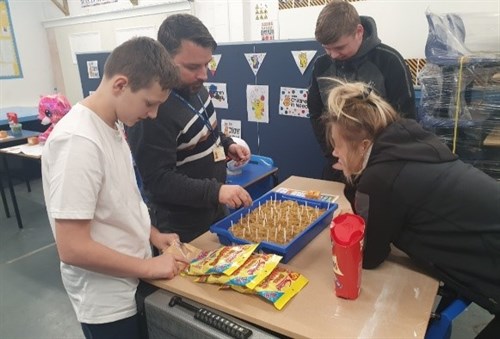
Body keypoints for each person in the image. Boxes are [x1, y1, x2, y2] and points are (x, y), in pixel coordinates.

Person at [323, 79, 500, 339]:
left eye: (338, 144)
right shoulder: (408, 137)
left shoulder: (380, 178)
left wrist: (354, 179)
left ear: (363, 145)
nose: (334, 152)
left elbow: (369, 255)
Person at [41, 37, 188, 339]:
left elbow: (121, 200)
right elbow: (72, 247)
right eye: (150, 103)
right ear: (120, 85)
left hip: (129, 279)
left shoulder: (113, 124)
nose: (153, 114)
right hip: (105, 301)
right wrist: (150, 268)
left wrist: (154, 235)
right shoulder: (78, 141)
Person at [127, 14, 253, 243]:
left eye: (207, 64)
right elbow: (158, 181)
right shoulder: (151, 110)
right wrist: (216, 192)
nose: (203, 75)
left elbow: (205, 129)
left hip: (212, 210)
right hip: (180, 227)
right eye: (193, 66)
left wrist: (226, 144)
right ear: (165, 59)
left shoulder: (195, 86)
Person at [307, 0, 416, 182]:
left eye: (340, 47)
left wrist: (379, 161)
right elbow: (317, 114)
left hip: (382, 166)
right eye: (327, 49)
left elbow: (406, 120)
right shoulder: (321, 65)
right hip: (338, 164)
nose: (333, 55)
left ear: (359, 32)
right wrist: (334, 155)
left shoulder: (390, 61)